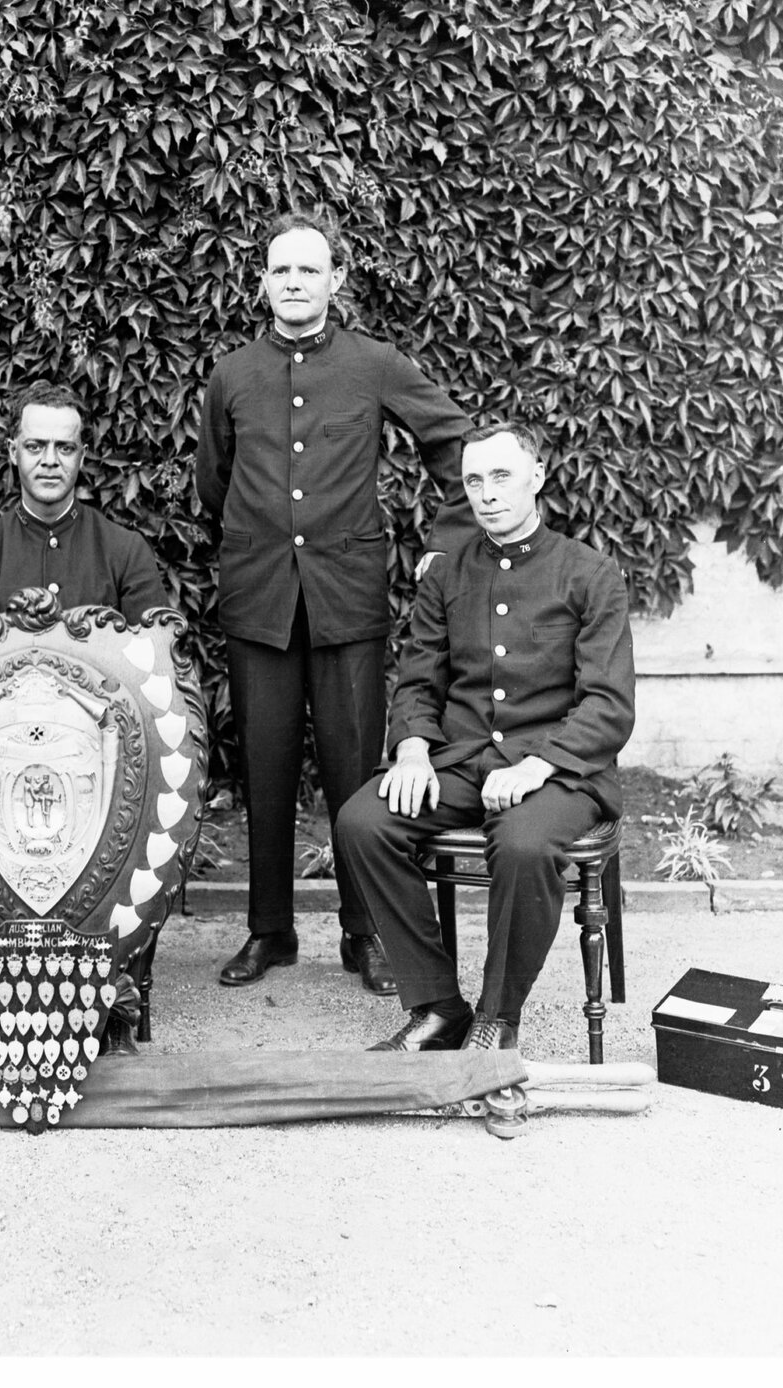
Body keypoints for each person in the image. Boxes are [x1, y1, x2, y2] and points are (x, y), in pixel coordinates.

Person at [193, 210, 476, 994]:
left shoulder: (375, 364)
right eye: (281, 271)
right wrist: (255, 539)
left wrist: (445, 541)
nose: (294, 283)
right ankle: (269, 933)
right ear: (263, 282)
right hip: (260, 603)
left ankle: (366, 936)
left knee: (358, 777)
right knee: (266, 770)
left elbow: (452, 440)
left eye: (309, 271)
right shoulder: (233, 374)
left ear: (335, 281)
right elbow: (213, 481)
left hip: (347, 601)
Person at [335, 421, 635, 1052]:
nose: (487, 493)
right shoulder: (447, 574)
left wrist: (538, 767)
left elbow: (609, 704)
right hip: (465, 758)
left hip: (559, 770)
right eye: (474, 480)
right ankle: (439, 1007)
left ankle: (499, 1017)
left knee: (525, 844)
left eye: (502, 476)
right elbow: (418, 680)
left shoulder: (590, 573)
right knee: (364, 822)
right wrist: (413, 750)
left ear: (537, 478)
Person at [0, 381, 169, 625]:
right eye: (35, 447)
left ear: (82, 456)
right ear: (14, 452)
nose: (50, 460)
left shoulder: (125, 552)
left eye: (65, 448)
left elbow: (153, 653)